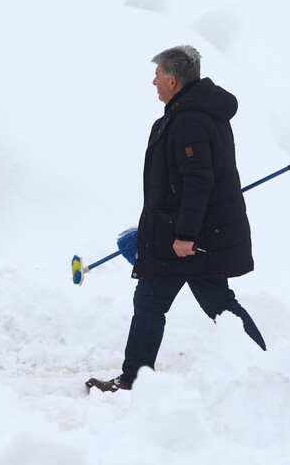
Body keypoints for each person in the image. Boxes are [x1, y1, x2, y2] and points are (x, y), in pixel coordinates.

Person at [87, 45, 267, 393]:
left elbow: (198, 181)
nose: (153, 82)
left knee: (161, 302)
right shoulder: (190, 115)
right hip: (192, 234)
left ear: (172, 79)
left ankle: (134, 379)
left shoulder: (189, 120)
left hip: (187, 239)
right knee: (214, 304)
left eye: (157, 75)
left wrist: (184, 234)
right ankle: (263, 365)